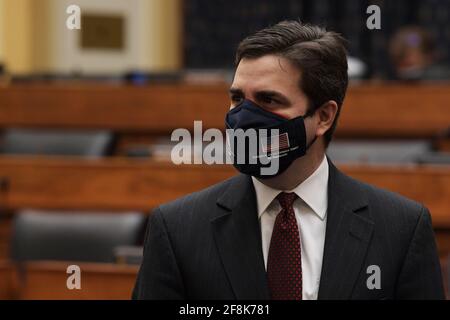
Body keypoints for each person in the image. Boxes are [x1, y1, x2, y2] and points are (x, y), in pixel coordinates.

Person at [133, 21, 445, 300]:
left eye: (269, 100)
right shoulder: (177, 230)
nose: (243, 118)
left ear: (323, 117)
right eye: (238, 98)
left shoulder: (401, 229)